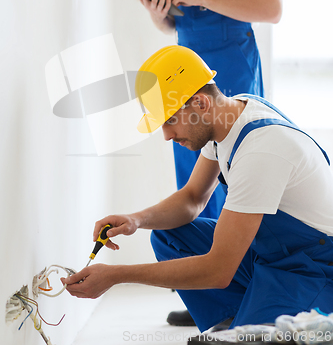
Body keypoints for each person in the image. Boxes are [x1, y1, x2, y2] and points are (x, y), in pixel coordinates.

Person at [62, 46, 333, 344]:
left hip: (313, 269)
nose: (166, 135)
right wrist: (135, 220)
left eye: (169, 120)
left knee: (256, 337)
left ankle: (267, 320)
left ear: (201, 103)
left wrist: (116, 275)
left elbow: (218, 270)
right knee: (168, 235)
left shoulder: (262, 148)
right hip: (272, 252)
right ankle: (232, 320)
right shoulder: (229, 117)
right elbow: (192, 198)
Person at [135, 0, 282, 247]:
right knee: (191, 175)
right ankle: (203, 282)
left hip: (230, 73)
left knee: (238, 171)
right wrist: (158, 12)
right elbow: (174, 30)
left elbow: (271, 9)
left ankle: (242, 276)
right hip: (183, 81)